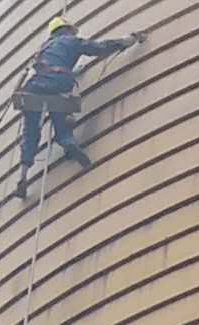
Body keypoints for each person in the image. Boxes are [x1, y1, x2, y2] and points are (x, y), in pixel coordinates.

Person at [16, 16, 143, 198]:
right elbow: (99, 48)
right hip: (57, 84)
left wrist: (73, 71)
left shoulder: (43, 48)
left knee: (30, 131)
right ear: (67, 30)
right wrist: (125, 41)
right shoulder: (71, 41)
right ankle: (67, 141)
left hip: (32, 89)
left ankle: (22, 175)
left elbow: (47, 67)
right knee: (60, 110)